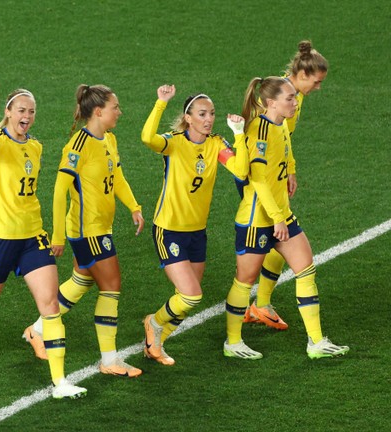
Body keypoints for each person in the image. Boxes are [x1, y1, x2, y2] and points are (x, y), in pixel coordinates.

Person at [0, 84, 86, 400]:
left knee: (50, 306)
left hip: (32, 237)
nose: (26, 116)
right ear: (8, 112)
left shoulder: (35, 147)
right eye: (21, 110)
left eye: (31, 111)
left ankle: (60, 381)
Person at [223, 76, 349, 360]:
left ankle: (316, 342)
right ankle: (232, 342)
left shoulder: (279, 123)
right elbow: (258, 182)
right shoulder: (258, 130)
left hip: (281, 213)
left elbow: (287, 146)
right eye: (289, 98)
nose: (295, 102)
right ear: (271, 103)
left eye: (294, 97)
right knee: (244, 281)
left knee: (306, 268)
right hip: (258, 219)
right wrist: (277, 218)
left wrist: (291, 169)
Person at [24, 84, 145, 378]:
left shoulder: (109, 140)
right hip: (87, 230)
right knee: (111, 286)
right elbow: (59, 191)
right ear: (99, 111)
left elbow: (117, 178)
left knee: (82, 280)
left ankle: (37, 330)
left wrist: (134, 206)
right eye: (115, 107)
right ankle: (109, 359)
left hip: (101, 226)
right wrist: (57, 236)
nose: (120, 112)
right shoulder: (78, 146)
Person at [140, 85, 248, 366]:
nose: (208, 118)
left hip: (197, 233)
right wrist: (161, 103)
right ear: (188, 118)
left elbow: (240, 169)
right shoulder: (174, 142)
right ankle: (153, 323)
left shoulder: (215, 144)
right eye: (202, 114)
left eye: (211, 113)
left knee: (188, 298)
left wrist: (239, 135)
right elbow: (147, 138)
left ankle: (157, 340)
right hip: (169, 229)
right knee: (190, 295)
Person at [243, 40, 329, 330]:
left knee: (280, 241)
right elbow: (258, 144)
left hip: (275, 173)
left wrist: (289, 169)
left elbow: (284, 139)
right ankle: (247, 310)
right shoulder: (276, 96)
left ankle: (261, 305)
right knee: (274, 232)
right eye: (316, 82)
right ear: (302, 75)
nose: (318, 88)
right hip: (257, 176)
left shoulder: (293, 97)